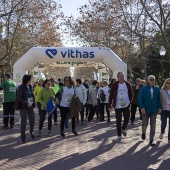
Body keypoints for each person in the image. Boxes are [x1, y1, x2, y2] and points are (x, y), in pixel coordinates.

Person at [109, 72, 133, 142]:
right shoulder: (114, 85)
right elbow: (111, 95)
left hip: (126, 105)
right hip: (117, 105)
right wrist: (110, 105)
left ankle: (124, 128)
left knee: (127, 118)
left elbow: (131, 93)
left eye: (122, 76)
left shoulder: (127, 84)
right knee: (118, 120)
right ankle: (119, 135)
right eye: (120, 76)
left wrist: (129, 101)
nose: (121, 77)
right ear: (117, 77)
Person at [138, 75, 162, 146]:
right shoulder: (143, 89)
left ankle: (151, 139)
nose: (152, 81)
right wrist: (142, 107)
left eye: (153, 80)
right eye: (151, 79)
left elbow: (158, 99)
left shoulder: (157, 89)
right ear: (148, 80)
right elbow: (140, 99)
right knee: (145, 124)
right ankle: (143, 133)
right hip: (145, 110)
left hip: (154, 110)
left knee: (153, 125)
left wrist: (159, 107)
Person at [17, 74, 35, 143]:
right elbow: (19, 98)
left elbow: (32, 95)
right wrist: (26, 103)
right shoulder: (21, 87)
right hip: (24, 107)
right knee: (23, 122)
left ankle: (31, 132)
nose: (31, 81)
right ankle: (23, 137)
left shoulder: (30, 86)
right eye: (31, 79)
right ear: (27, 80)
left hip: (30, 106)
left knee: (32, 120)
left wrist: (33, 103)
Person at [159, 78, 170, 144]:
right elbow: (159, 100)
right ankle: (162, 132)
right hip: (164, 110)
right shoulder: (162, 91)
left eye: (169, 83)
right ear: (165, 83)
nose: (168, 84)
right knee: (164, 123)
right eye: (167, 83)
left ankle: (169, 139)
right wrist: (159, 108)